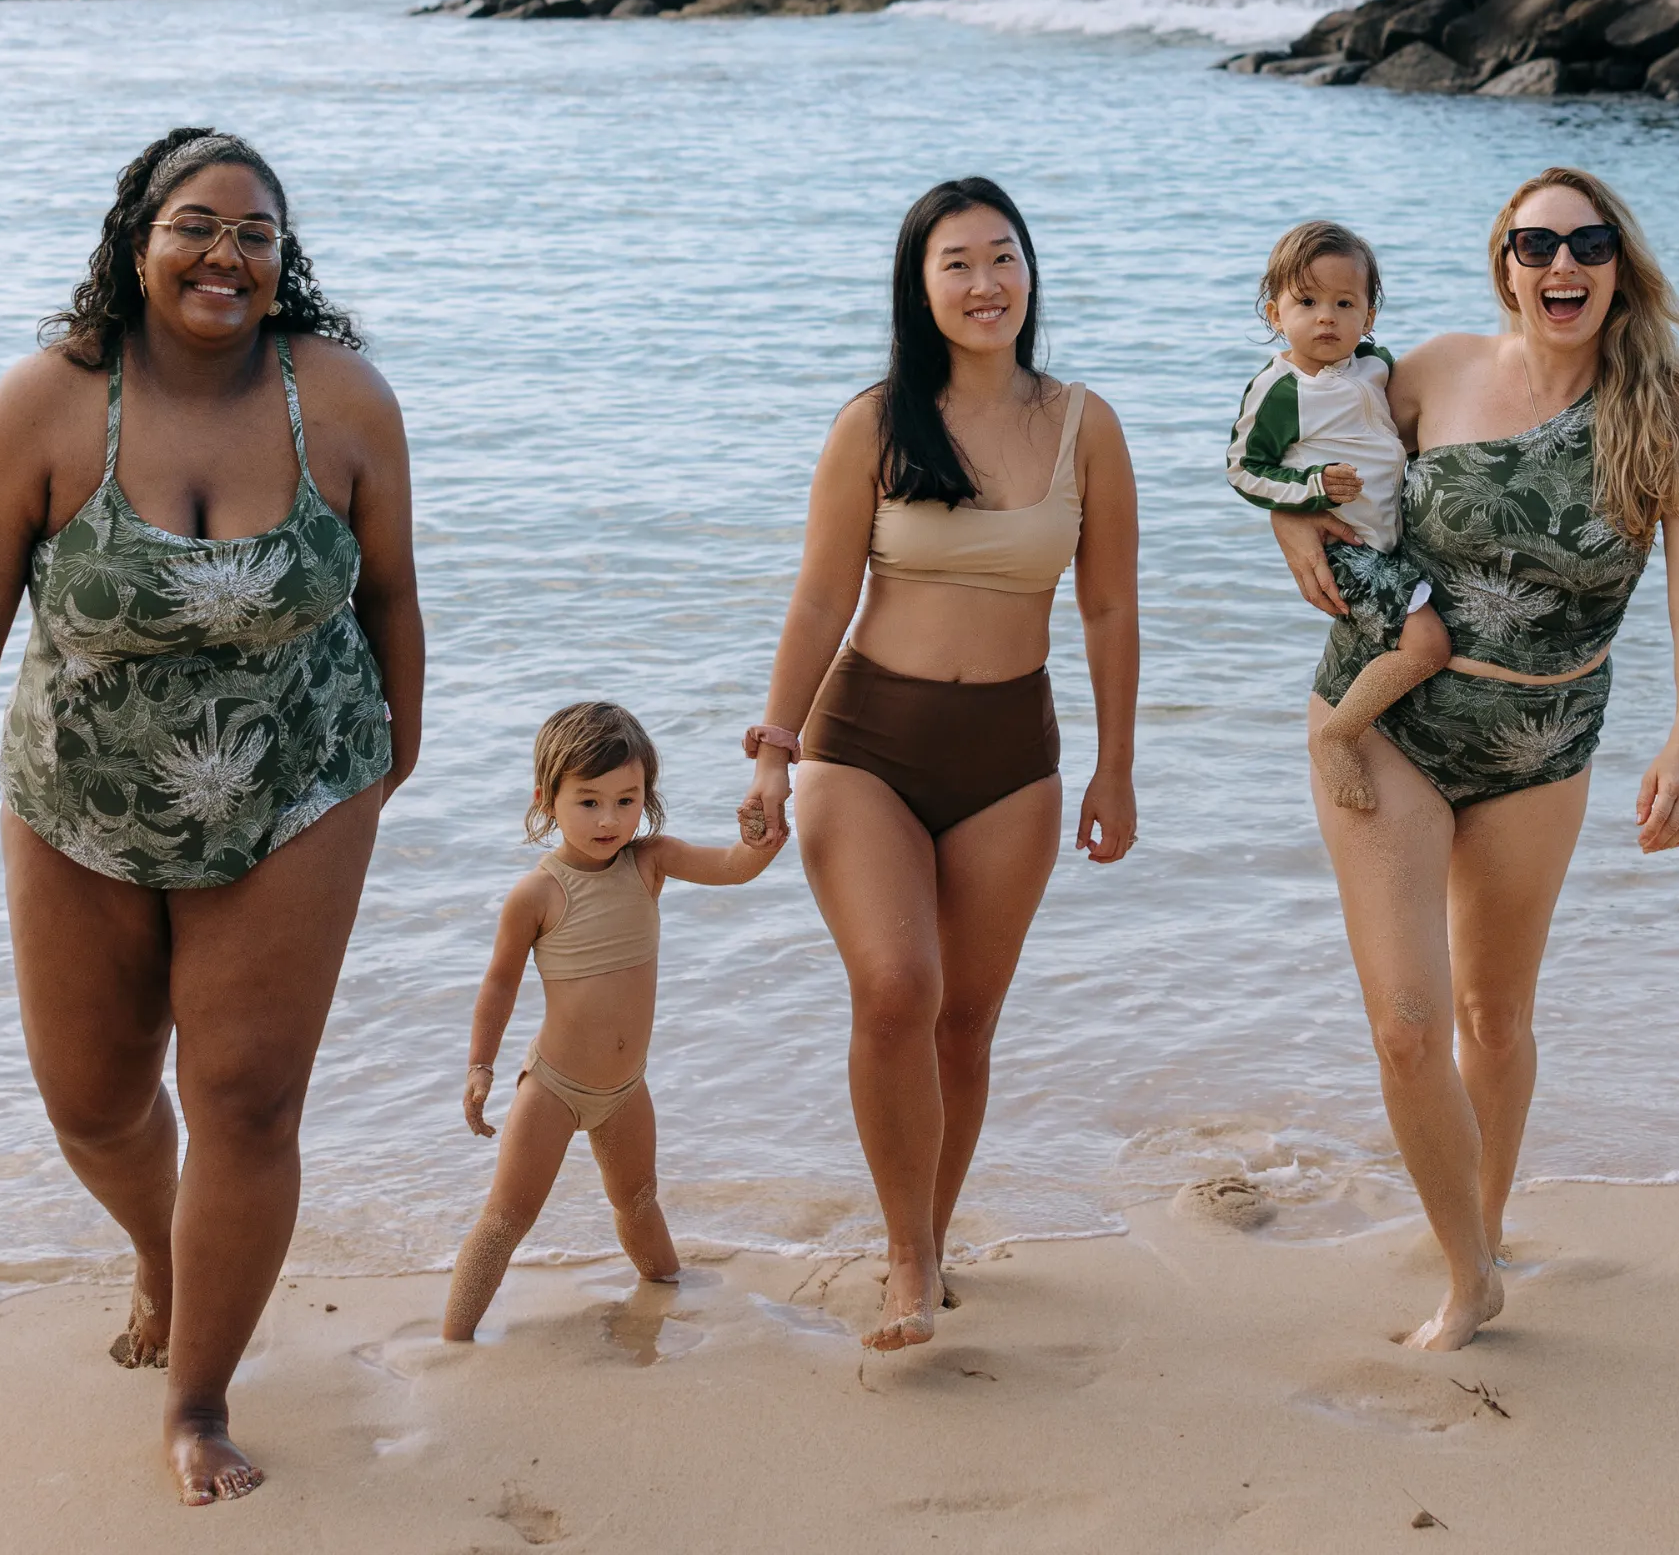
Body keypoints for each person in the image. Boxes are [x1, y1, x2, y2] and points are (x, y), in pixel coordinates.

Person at [0, 127, 424, 1508]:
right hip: (80, 802)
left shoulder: (344, 401)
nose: (226, 256)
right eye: (197, 225)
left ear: (282, 261)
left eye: (257, 234)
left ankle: (197, 1398)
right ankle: (164, 1245)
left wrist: (389, 765)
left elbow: (392, 598)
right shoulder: (46, 408)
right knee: (95, 1102)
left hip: (300, 786)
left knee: (245, 1100)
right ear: (137, 242)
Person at [1278, 164, 1679, 1353]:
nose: (1559, 265)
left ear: (1617, 264)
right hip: (1389, 721)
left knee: (1495, 1012)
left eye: (1584, 244)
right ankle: (1470, 1279)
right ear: (1504, 264)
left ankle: (1480, 1227)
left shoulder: (1670, 406)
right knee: (1412, 1023)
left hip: (1546, 739)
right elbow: (1305, 425)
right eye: (1535, 245)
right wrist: (1285, 518)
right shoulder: (1425, 372)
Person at [738, 178, 1139, 1352]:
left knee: (966, 1025)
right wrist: (773, 751)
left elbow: (1109, 608)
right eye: (956, 263)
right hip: (864, 742)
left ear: (1030, 272)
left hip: (1015, 754)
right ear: (920, 288)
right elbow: (821, 595)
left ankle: (932, 1231)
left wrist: (1117, 768)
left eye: (1002, 258)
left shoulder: (1084, 423)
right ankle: (907, 1262)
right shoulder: (874, 423)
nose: (984, 284)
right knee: (896, 988)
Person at [440, 700, 783, 1342]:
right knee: (506, 1219)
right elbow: (498, 984)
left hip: (626, 1090)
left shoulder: (650, 862)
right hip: (553, 1088)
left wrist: (760, 838)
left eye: (627, 800)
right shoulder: (538, 894)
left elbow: (734, 869)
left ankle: (668, 1291)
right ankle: (453, 1340)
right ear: (548, 799)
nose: (610, 819)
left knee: (637, 1201)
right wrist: (481, 1067)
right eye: (589, 801)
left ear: (646, 797)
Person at [1225, 218, 1451, 810]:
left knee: (1406, 639)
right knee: (1428, 647)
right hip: (1345, 545)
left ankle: (1379, 730)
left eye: (1343, 302)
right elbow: (1243, 468)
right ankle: (1336, 735)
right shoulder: (1282, 390)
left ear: (1368, 317)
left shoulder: (1376, 368)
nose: (1325, 316)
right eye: (1306, 301)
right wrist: (1311, 488)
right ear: (1275, 313)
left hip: (1390, 539)